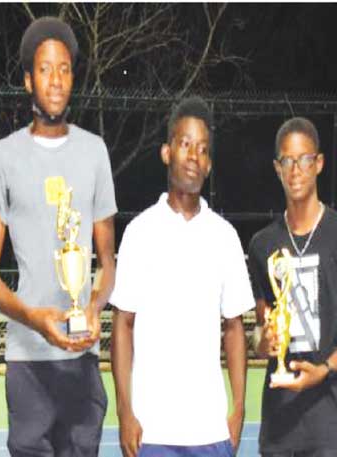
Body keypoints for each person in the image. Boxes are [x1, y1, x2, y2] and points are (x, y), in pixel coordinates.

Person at [0, 16, 117, 456]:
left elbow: (108, 263)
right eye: (44, 69)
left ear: (72, 78)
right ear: (27, 80)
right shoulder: (2, 157)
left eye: (64, 69)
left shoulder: (95, 152)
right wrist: (34, 318)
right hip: (28, 359)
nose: (55, 80)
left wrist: (92, 307)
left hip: (81, 362)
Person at [109, 97, 252, 457]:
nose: (193, 155)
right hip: (152, 431)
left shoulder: (225, 236)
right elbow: (122, 325)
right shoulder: (140, 232)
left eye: (202, 149)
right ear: (166, 152)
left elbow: (234, 328)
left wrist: (237, 409)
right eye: (185, 144)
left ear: (209, 165)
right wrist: (125, 411)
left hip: (210, 431)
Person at [247, 117, 337, 456]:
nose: (295, 169)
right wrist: (264, 341)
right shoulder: (262, 244)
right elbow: (260, 331)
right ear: (277, 168)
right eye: (287, 160)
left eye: (303, 159)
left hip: (327, 415)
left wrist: (326, 368)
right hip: (279, 420)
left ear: (318, 164)